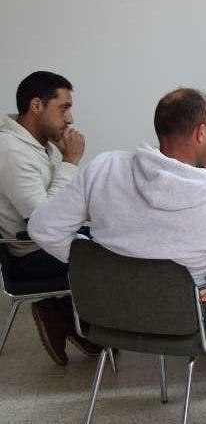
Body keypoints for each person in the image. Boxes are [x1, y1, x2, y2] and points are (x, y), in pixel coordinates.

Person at [27, 88, 206, 394]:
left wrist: (91, 264)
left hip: (110, 307)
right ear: (202, 133)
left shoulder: (103, 167)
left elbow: (42, 228)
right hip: (189, 313)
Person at [0, 70, 99, 365]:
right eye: (64, 108)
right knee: (114, 253)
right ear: (36, 106)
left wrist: (62, 160)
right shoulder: (10, 150)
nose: (69, 119)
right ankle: (77, 320)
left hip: (50, 241)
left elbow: (62, 201)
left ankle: (63, 314)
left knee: (120, 235)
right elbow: (44, 218)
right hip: (31, 253)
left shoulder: (35, 144)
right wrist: (70, 161)